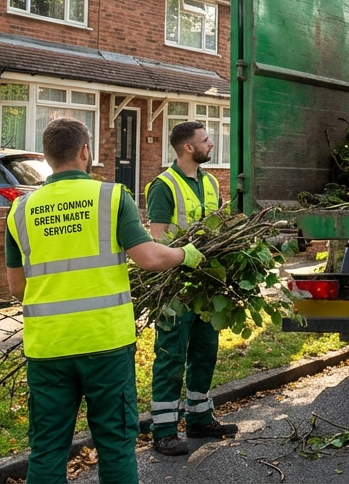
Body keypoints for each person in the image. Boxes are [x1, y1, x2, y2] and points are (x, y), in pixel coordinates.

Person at [6, 117, 204, 484]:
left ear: (48, 158)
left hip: (48, 347)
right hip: (105, 345)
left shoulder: (20, 210)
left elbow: (17, 288)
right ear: (85, 151)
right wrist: (185, 255)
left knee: (47, 450)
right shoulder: (111, 197)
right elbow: (148, 257)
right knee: (114, 446)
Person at [144, 121, 238, 455]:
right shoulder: (163, 186)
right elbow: (157, 238)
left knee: (205, 351)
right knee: (171, 355)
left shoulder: (211, 182)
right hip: (175, 287)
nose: (211, 144)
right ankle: (164, 430)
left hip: (205, 285)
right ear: (188, 147)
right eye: (206, 139)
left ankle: (199, 419)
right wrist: (182, 256)